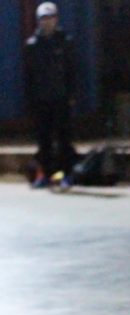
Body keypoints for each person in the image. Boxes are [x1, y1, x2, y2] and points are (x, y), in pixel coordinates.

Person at [23, 1, 76, 191]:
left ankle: (65, 176)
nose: (48, 22)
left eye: (51, 18)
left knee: (63, 139)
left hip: (61, 98)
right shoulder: (32, 45)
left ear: (57, 19)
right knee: (43, 139)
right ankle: (45, 175)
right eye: (44, 19)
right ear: (38, 21)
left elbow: (71, 71)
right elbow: (28, 76)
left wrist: (71, 94)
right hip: (41, 100)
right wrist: (30, 100)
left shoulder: (65, 42)